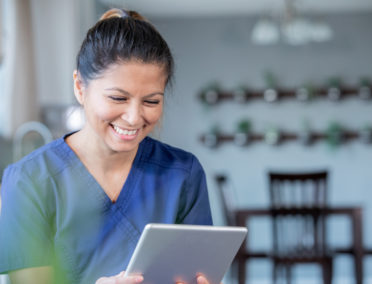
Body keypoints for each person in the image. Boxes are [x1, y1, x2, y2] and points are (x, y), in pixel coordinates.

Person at [0, 8, 214, 284]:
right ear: (80, 86)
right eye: (117, 98)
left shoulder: (183, 172)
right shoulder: (29, 180)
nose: (135, 117)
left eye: (151, 101)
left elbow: (195, 272)